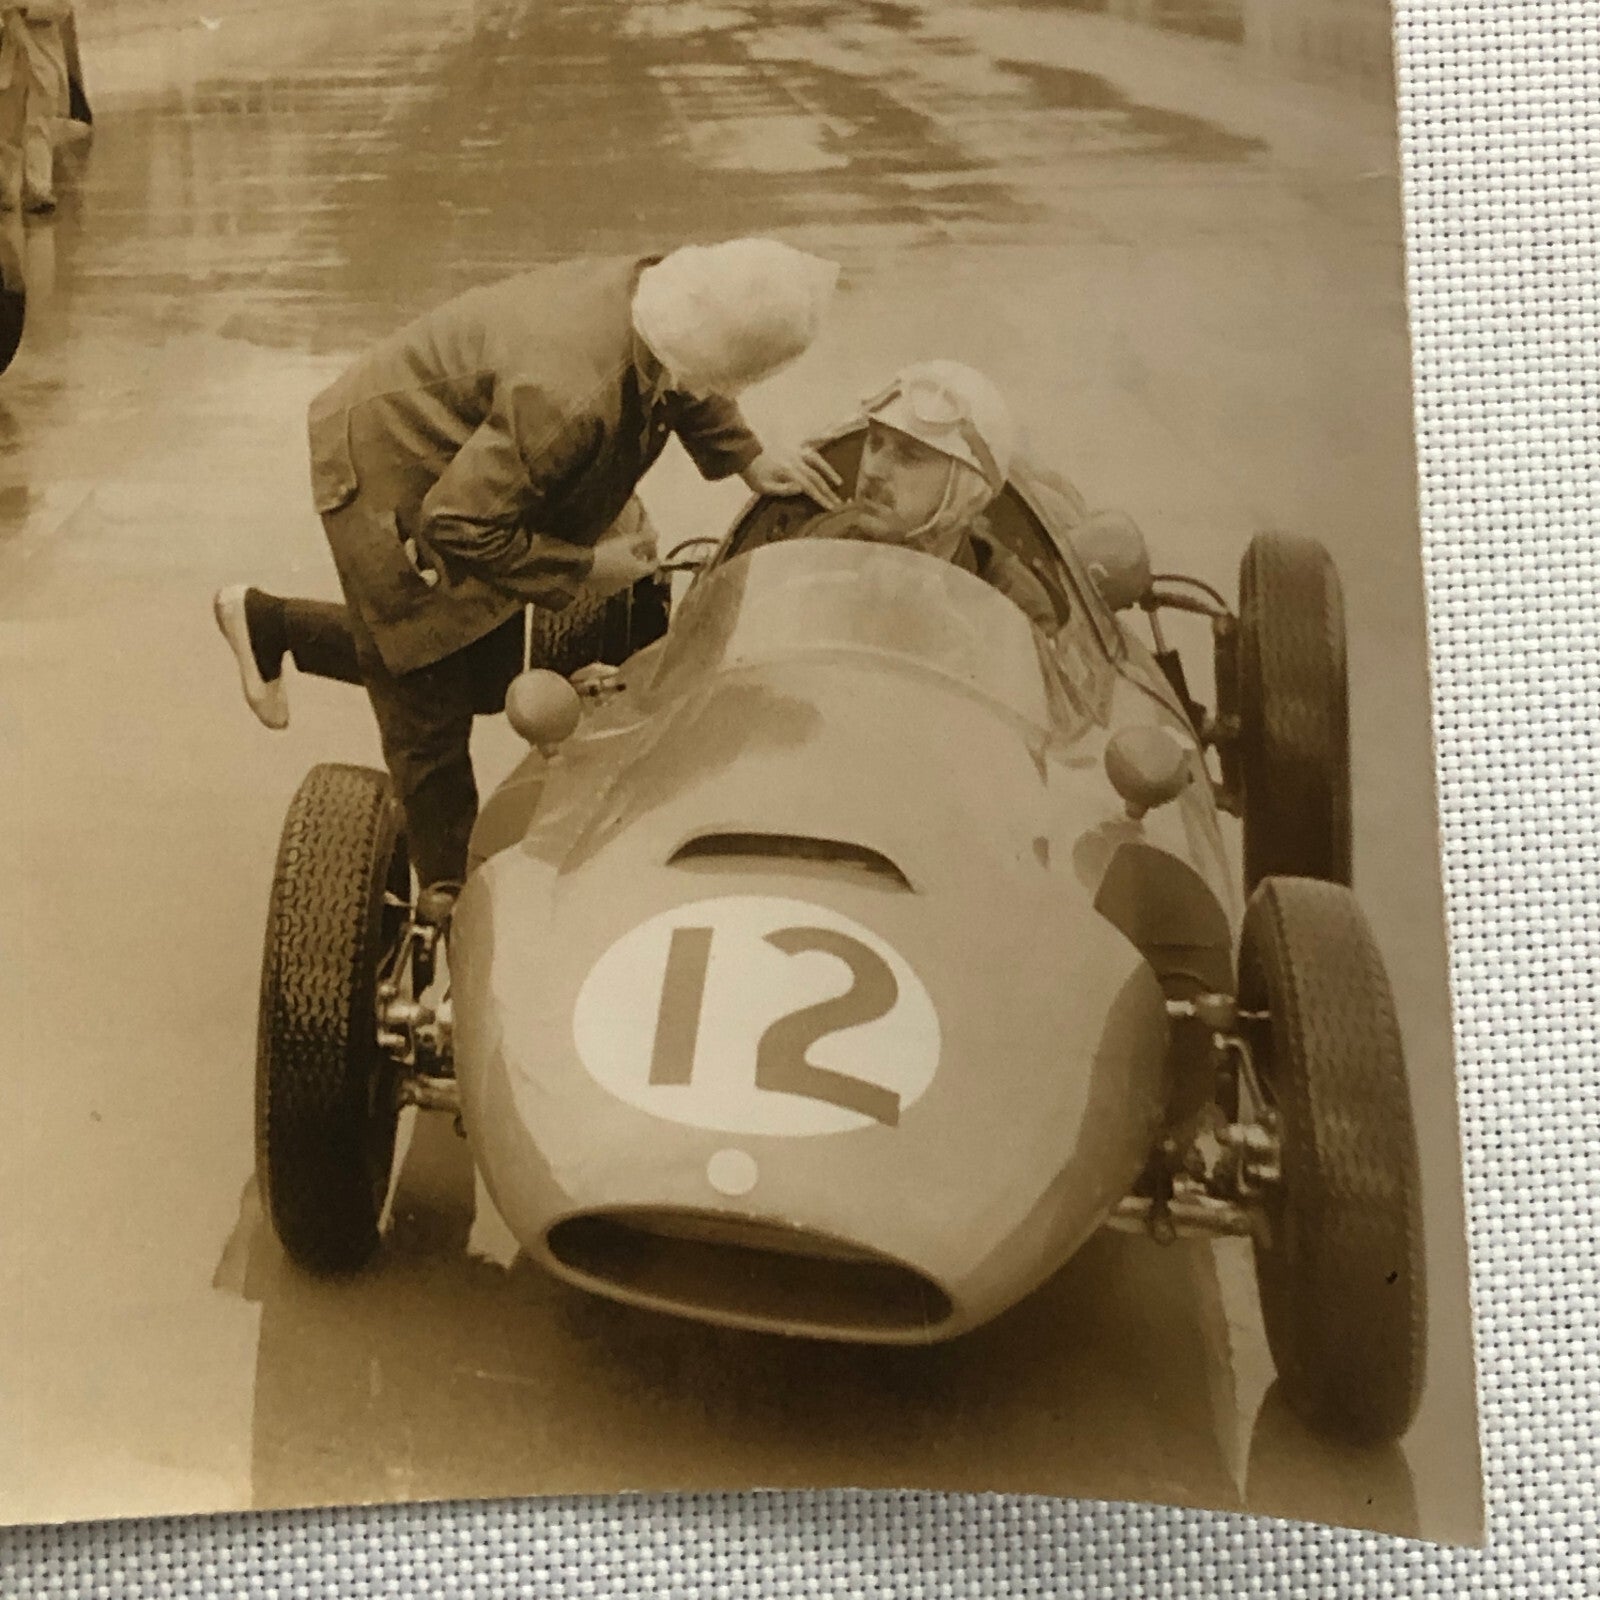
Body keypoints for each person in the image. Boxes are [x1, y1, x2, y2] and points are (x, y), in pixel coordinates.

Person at [214, 238, 841, 891]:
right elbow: (456, 523)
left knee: (487, 678)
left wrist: (747, 457)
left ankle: (269, 623)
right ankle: (446, 899)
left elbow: (686, 376)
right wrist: (587, 567)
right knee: (428, 702)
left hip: (469, 447)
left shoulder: (663, 296)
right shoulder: (568, 396)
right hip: (388, 459)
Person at [779, 359, 1056, 629]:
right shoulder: (817, 545)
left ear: (966, 490)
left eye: (909, 456)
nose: (873, 470)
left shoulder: (1012, 606)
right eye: (875, 443)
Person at [0, 1, 72, 214]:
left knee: (38, 126)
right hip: (10, 64)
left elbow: (62, 9)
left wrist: (23, 9)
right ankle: (6, 189)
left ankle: (38, 189)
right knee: (7, 130)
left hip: (42, 62)